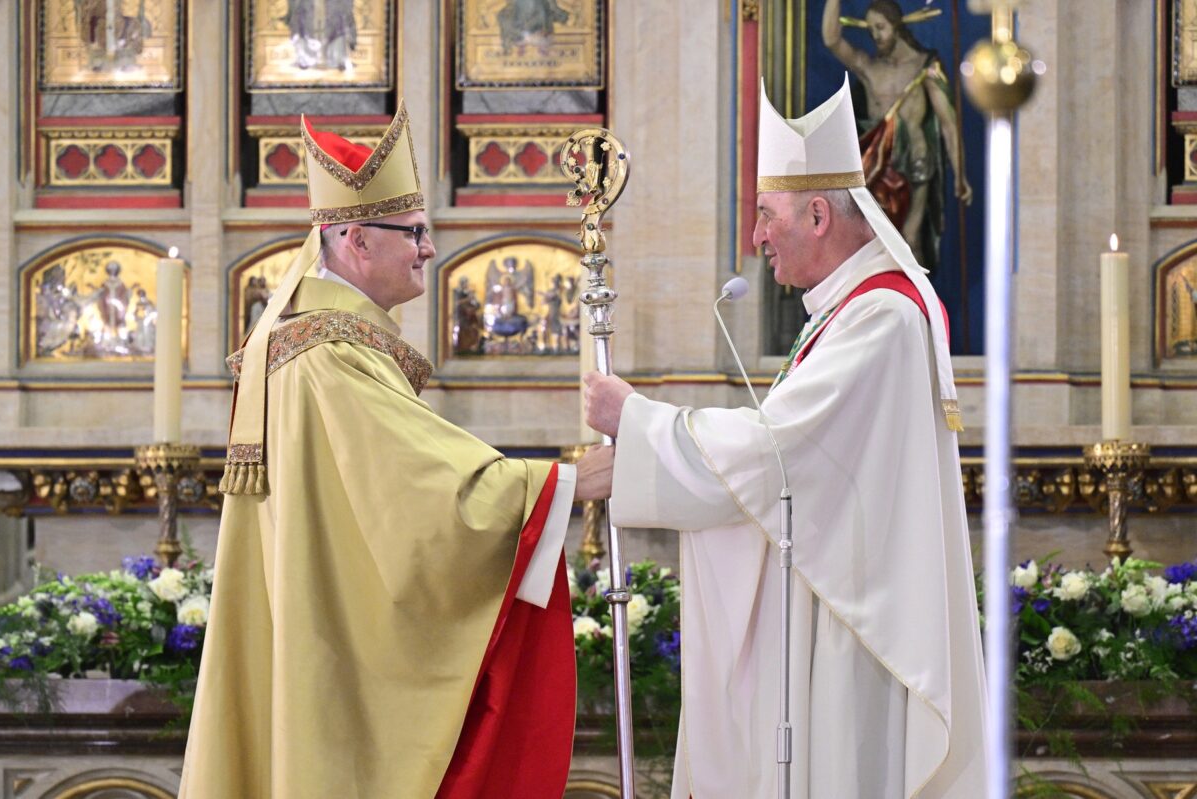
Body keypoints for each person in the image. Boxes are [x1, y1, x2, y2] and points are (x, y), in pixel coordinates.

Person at [179, 101, 613, 799]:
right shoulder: (328, 354)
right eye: (412, 231)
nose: (429, 249)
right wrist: (564, 482)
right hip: (331, 647)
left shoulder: (316, 342)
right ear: (356, 239)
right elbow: (424, 499)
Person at [583, 78, 987, 797]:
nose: (757, 237)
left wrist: (638, 420)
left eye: (766, 215)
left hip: (853, 629)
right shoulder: (846, 313)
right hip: (834, 606)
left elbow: (779, 455)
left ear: (819, 214)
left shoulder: (882, 318)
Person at [823, 0, 971, 273]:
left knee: (910, 239)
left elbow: (949, 124)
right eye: (871, 29)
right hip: (875, 166)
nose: (876, 35)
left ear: (897, 25)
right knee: (870, 241)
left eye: (880, 27)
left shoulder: (924, 66)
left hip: (914, 162)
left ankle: (916, 299)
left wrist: (960, 174)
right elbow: (832, 39)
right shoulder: (869, 67)